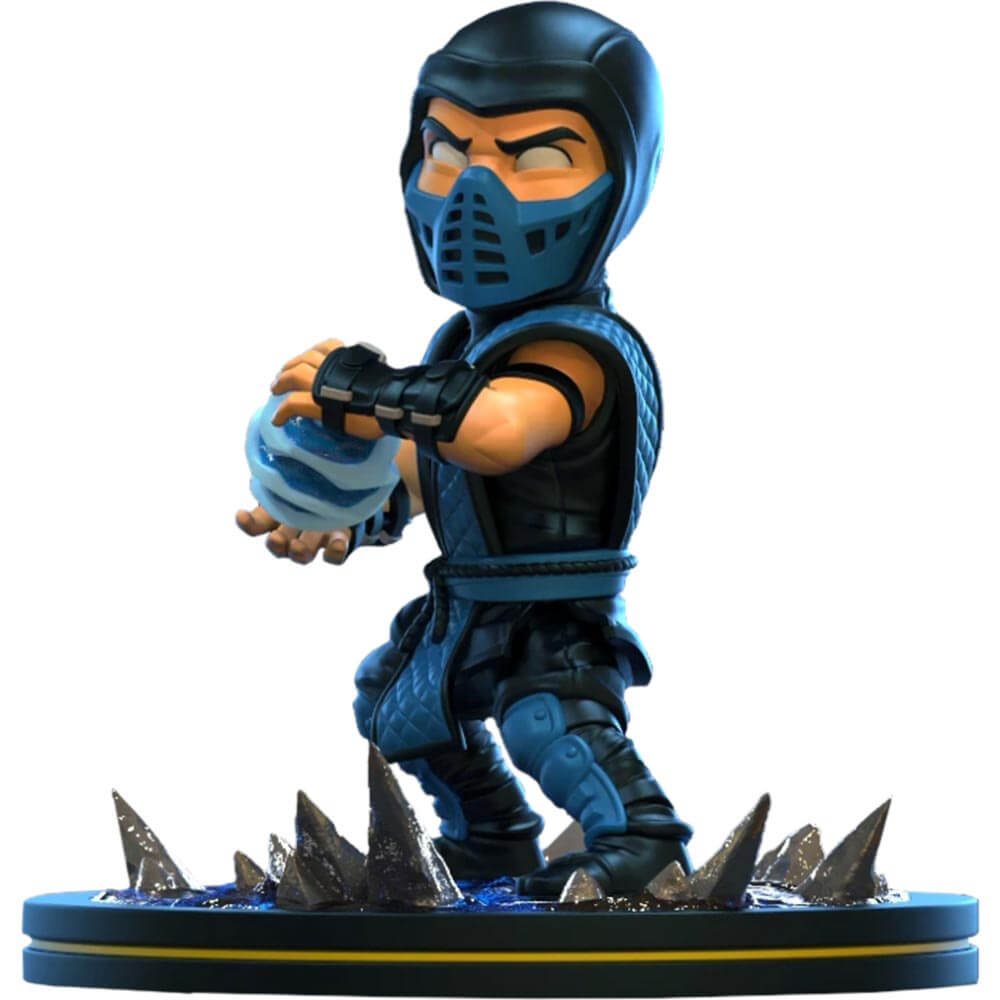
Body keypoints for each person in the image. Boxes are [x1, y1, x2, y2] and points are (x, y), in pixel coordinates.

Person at [237, 2, 692, 898]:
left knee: (548, 721)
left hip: (554, 611)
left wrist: (361, 389)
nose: (474, 193)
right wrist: (348, 514)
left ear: (619, 183)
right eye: (448, 151)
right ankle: (492, 835)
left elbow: (495, 432)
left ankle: (642, 842)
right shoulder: (464, 346)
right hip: (472, 603)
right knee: (394, 704)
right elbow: (432, 471)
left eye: (537, 159)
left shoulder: (579, 348)